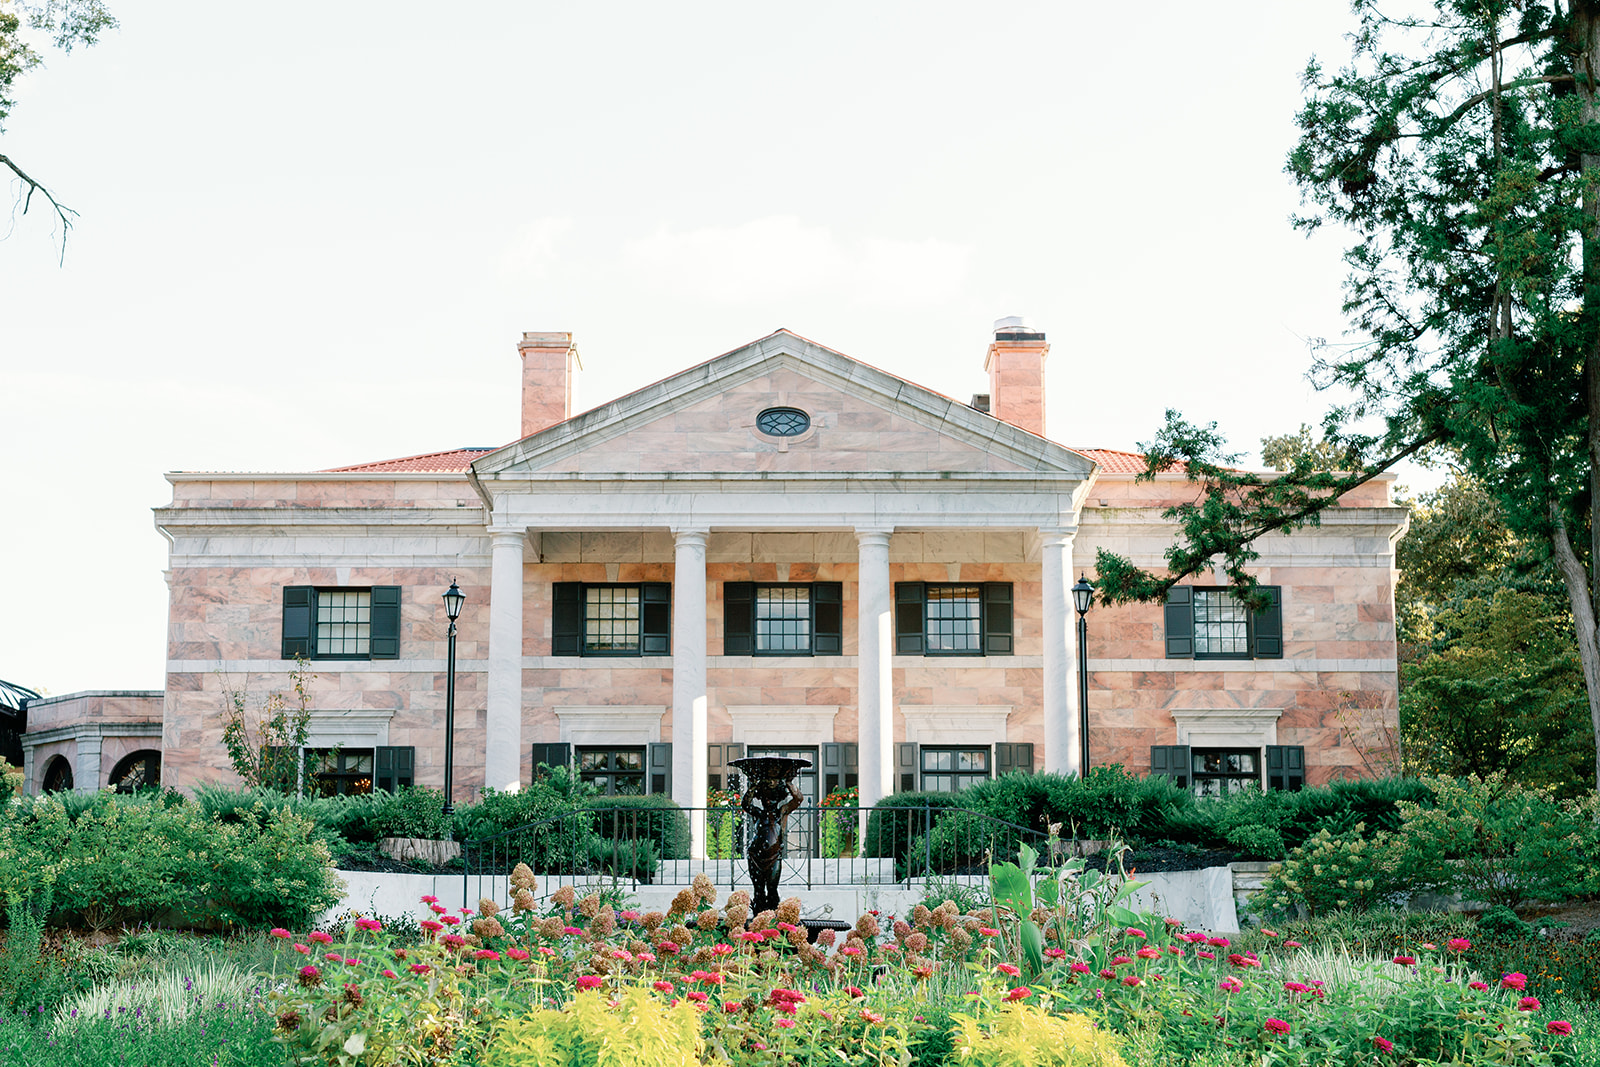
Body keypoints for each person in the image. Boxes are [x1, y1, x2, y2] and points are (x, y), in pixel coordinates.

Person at [741, 772, 803, 913]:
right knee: (758, 890)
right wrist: (753, 786)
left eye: (772, 797)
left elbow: (798, 799)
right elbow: (745, 804)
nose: (769, 801)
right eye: (765, 797)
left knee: (772, 888)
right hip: (756, 857)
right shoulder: (758, 813)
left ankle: (773, 916)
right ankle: (758, 918)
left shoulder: (782, 811)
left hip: (773, 857)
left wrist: (789, 783)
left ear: (778, 798)